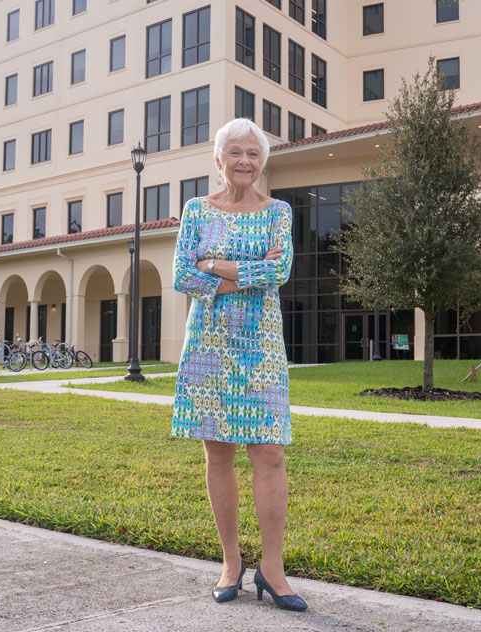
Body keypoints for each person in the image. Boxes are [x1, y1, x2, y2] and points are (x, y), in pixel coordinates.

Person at [171, 118, 305, 612]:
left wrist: (216, 265)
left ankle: (273, 568)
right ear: (219, 158)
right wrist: (242, 272)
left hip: (262, 345)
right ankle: (232, 562)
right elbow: (182, 274)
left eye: (253, 153)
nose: (245, 161)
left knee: (269, 453)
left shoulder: (279, 212)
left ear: (262, 161)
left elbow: (280, 270)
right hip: (208, 345)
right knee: (218, 453)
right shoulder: (196, 210)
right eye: (236, 152)